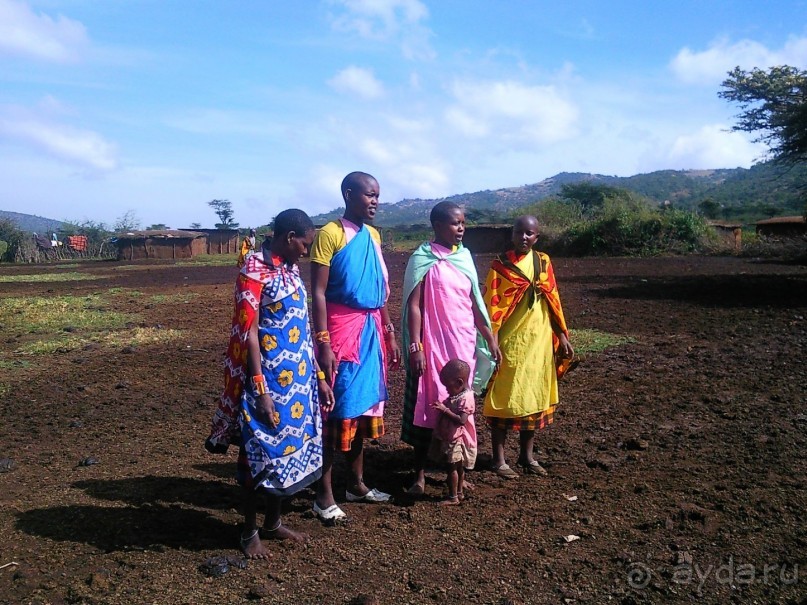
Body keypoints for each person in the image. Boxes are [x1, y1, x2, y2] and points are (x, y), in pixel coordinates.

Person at [205, 209, 332, 558]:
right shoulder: (253, 270)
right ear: (290, 237)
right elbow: (249, 336)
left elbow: (302, 327)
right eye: (304, 244)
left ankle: (273, 523)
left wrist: (319, 377)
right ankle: (248, 532)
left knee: (288, 451)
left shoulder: (290, 268)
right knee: (258, 455)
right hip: (267, 382)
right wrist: (261, 391)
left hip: (299, 381)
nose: (307, 251)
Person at [309, 171, 401, 521]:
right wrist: (323, 342)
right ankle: (323, 495)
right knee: (336, 410)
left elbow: (380, 291)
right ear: (349, 194)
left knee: (361, 410)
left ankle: (357, 485)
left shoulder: (373, 235)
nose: (375, 201)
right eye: (368, 195)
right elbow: (317, 292)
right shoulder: (329, 234)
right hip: (340, 331)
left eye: (377, 195)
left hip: (370, 330)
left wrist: (389, 330)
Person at [400, 201, 500, 495]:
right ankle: (418, 476)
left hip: (462, 343)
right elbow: (414, 306)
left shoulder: (464, 257)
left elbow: (474, 303)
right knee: (426, 403)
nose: (461, 229)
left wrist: (490, 337)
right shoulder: (422, 258)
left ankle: (454, 473)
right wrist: (416, 345)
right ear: (438, 226)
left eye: (463, 223)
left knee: (460, 407)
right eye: (456, 223)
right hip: (432, 344)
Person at [482, 215, 574, 479]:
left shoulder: (543, 262)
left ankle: (527, 456)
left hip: (538, 341)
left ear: (537, 237)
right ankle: (498, 460)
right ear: (512, 233)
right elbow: (492, 306)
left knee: (533, 396)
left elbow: (553, 299)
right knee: (504, 397)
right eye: (519, 232)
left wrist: (562, 336)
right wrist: (493, 341)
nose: (524, 237)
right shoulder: (501, 266)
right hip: (510, 342)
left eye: (529, 233)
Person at [428, 359, 477, 505]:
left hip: (456, 439)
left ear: (459, 383)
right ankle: (459, 493)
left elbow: (461, 420)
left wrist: (445, 410)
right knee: (458, 466)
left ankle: (453, 497)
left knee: (452, 468)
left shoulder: (466, 399)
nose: (447, 390)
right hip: (453, 437)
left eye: (448, 387)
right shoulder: (459, 395)